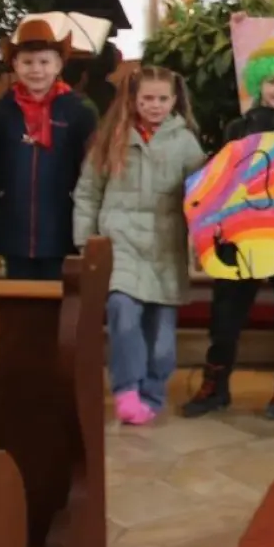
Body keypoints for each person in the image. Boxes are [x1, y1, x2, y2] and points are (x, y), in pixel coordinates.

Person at [182, 37, 274, 420]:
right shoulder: (237, 129)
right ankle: (215, 384)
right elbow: (221, 182)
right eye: (272, 81)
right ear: (259, 83)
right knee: (225, 313)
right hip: (241, 236)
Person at [72, 67, 206, 425]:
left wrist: (203, 240)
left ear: (174, 100)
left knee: (161, 337)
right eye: (147, 98)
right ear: (132, 99)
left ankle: (152, 392)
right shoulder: (111, 138)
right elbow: (88, 193)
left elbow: (201, 194)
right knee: (122, 311)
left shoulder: (185, 142)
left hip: (165, 246)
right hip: (121, 240)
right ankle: (127, 389)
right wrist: (87, 241)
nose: (154, 105)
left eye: (162, 98)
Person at [0, 17, 98, 281]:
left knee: (60, 298)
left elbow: (92, 176)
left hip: (63, 230)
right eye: (28, 62)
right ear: (15, 64)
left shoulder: (79, 112)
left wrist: (89, 232)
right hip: (12, 232)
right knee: (19, 300)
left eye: (44, 62)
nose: (36, 70)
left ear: (58, 64)